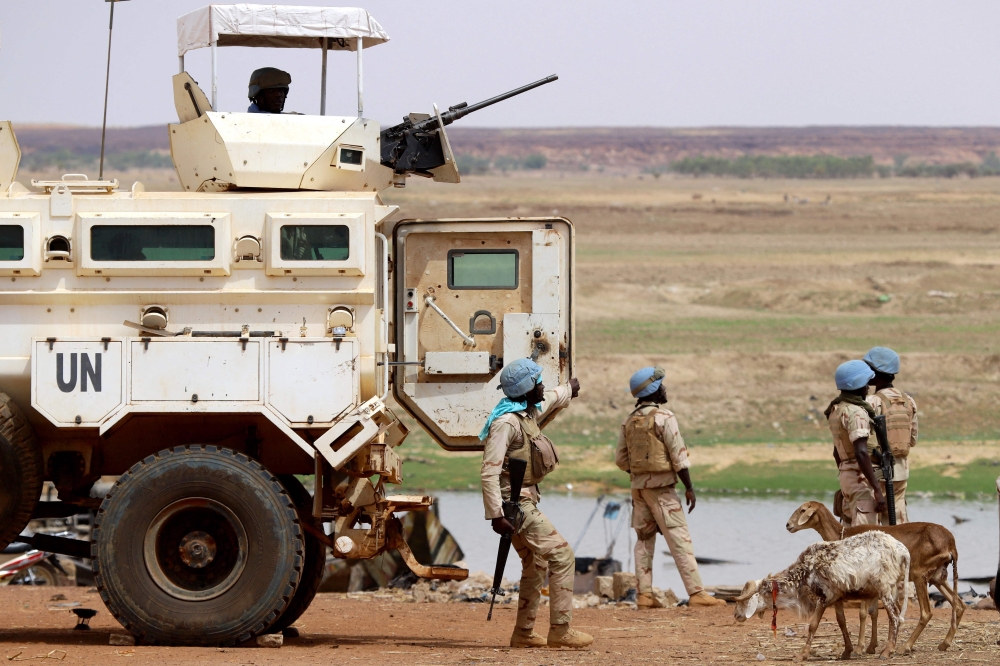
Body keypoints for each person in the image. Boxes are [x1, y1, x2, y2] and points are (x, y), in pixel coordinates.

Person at [479, 359, 593, 649]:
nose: (542, 386)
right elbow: (489, 471)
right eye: (538, 382)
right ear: (527, 389)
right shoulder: (506, 423)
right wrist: (496, 515)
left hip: (523, 502)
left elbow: (552, 397)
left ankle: (524, 633)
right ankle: (560, 630)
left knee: (535, 563)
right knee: (562, 555)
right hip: (514, 506)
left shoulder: (524, 414)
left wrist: (568, 389)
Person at [615, 367, 726, 609]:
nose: (664, 389)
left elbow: (621, 460)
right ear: (654, 389)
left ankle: (644, 595)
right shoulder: (665, 418)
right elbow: (679, 457)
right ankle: (697, 593)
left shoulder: (629, 421)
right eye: (661, 385)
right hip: (663, 489)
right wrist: (689, 487)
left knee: (643, 540)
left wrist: (640, 475)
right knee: (679, 539)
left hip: (638, 488)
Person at [825, 360, 887, 526]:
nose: (868, 387)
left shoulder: (836, 409)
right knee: (864, 536)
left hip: (848, 476)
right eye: (866, 383)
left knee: (848, 531)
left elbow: (836, 451)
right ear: (858, 384)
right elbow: (860, 452)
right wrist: (876, 489)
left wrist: (846, 474)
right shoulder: (856, 412)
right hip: (860, 479)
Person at [864, 346, 918, 524]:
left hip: (877, 473)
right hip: (901, 471)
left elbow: (866, 442)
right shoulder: (908, 400)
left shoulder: (871, 401)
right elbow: (912, 439)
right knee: (899, 526)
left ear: (875, 373)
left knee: (870, 530)